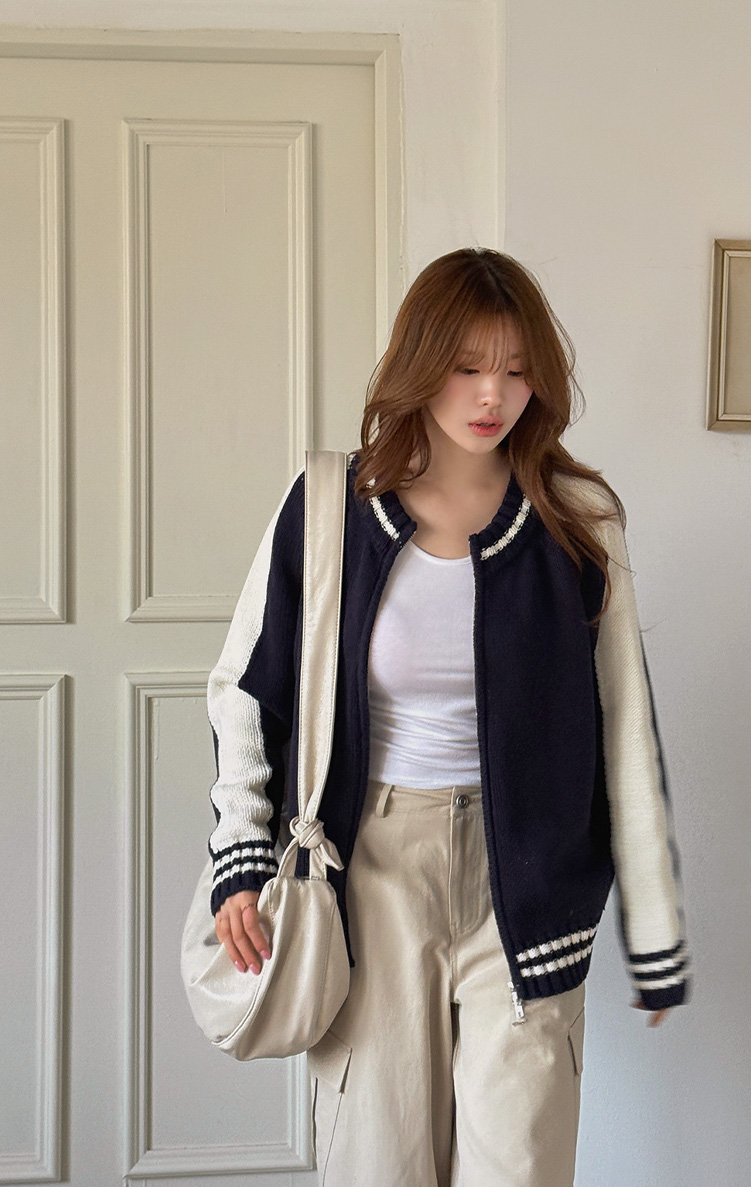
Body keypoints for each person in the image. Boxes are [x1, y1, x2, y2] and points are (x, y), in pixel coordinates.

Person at [205, 247, 692, 1186]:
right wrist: (243, 856)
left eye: (517, 369)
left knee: (520, 1164)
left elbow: (625, 722)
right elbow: (245, 689)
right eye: (468, 366)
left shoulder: (579, 518)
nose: (492, 394)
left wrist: (656, 925)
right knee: (379, 1161)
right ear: (421, 364)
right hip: (373, 869)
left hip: (530, 883)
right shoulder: (330, 506)